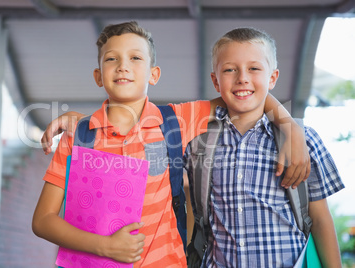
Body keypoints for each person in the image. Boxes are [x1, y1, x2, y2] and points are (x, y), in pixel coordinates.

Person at [33, 21, 310, 267]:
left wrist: (289, 127)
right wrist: (104, 247)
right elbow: (43, 220)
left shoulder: (176, 121)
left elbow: (241, 95)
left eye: (135, 57)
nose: (123, 66)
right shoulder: (78, 138)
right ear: (98, 76)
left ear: (154, 74)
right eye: (111, 59)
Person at [184, 27, 344, 267]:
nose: (242, 78)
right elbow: (192, 216)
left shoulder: (304, 140)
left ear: (273, 77)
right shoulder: (195, 143)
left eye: (254, 68)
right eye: (230, 69)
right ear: (216, 81)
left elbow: (321, 220)